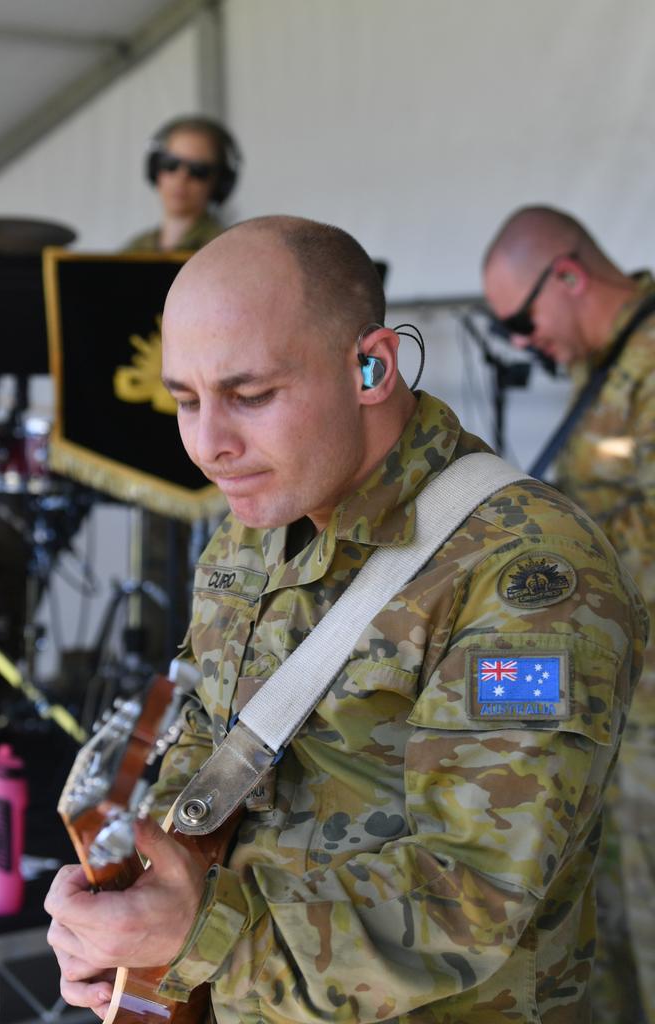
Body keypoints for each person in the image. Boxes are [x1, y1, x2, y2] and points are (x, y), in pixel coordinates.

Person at [45, 215, 646, 1024]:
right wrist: (128, 905)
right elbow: (209, 738)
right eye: (184, 400)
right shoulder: (256, 524)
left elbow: (471, 894)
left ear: (371, 366)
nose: (209, 445)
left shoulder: (527, 571)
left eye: (249, 395)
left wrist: (201, 934)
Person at [482, 204, 655, 1023]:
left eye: (522, 318)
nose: (521, 341)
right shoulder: (606, 366)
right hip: (620, 716)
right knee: (611, 927)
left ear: (570, 274)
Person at [125, 114, 242, 253]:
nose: (182, 178)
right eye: (170, 164)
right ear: (155, 169)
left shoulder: (226, 250)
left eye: (198, 170)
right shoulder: (135, 249)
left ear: (220, 182)